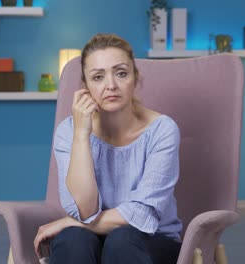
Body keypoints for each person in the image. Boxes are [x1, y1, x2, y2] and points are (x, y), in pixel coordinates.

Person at [34, 33, 182, 264]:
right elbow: (84, 211)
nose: (111, 85)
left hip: (152, 239)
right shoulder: (68, 131)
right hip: (92, 239)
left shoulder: (162, 130)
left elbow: (142, 215)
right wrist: (82, 136)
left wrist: (70, 221)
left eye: (121, 73)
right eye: (98, 77)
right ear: (85, 86)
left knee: (120, 239)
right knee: (73, 239)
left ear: (135, 78)